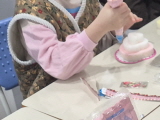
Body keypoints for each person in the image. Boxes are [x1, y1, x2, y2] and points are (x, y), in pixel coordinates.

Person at [8, 0, 141, 99]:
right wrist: (100, 26)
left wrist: (113, 28)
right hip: (52, 101)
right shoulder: (31, 11)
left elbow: (100, 44)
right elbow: (58, 65)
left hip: (94, 89)